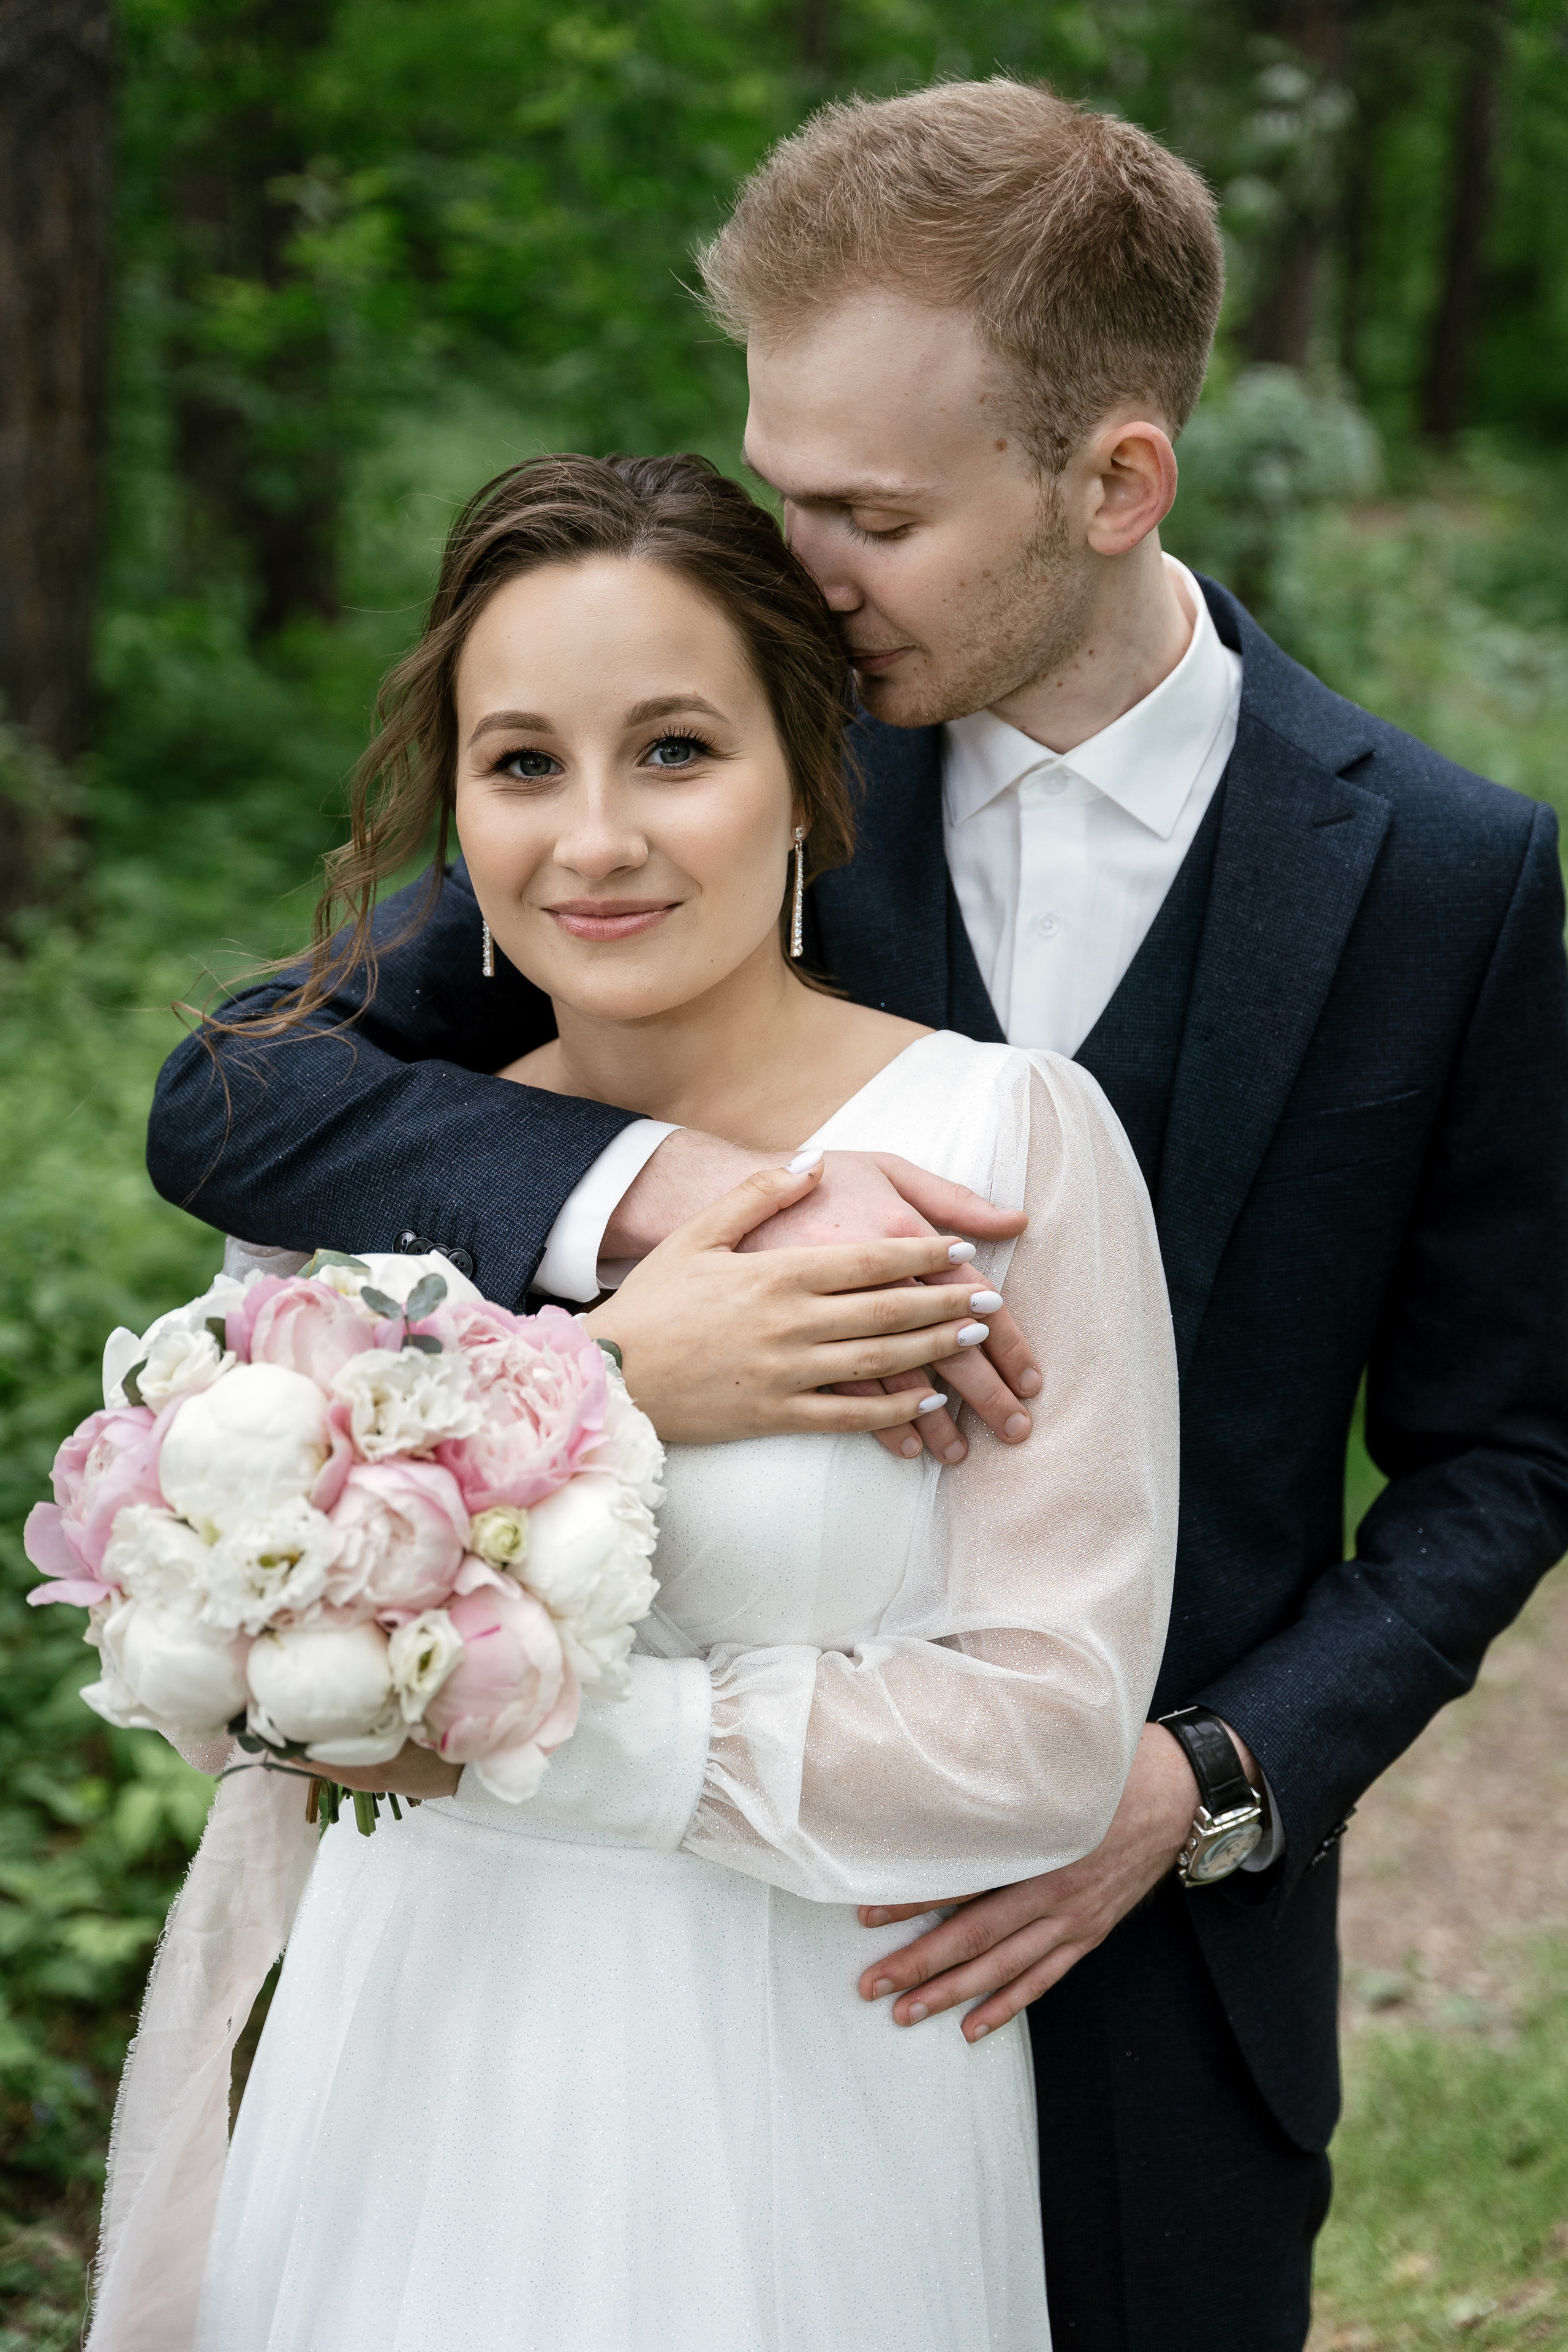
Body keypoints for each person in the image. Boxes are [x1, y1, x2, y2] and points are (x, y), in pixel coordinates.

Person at [146, 79, 1568, 2352]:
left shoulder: (1448, 878)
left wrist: (1203, 1782)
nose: (795, 567)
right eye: (780, 482)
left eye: (870, 516)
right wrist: (647, 1193)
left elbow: (1510, 1443)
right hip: (664, 1979)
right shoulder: (728, 772)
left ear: (1115, 481)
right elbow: (242, 1086)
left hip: (1142, 1971)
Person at [134, 451, 1174, 2351]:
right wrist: (616, 1382)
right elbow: (216, 1641)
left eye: (677, 750)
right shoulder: (357, 1181)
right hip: (404, 2066)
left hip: (795, 2100)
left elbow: (1048, 1737)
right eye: (524, 764)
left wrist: (549, 1741)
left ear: (808, 778)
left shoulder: (991, 1151)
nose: (595, 839)